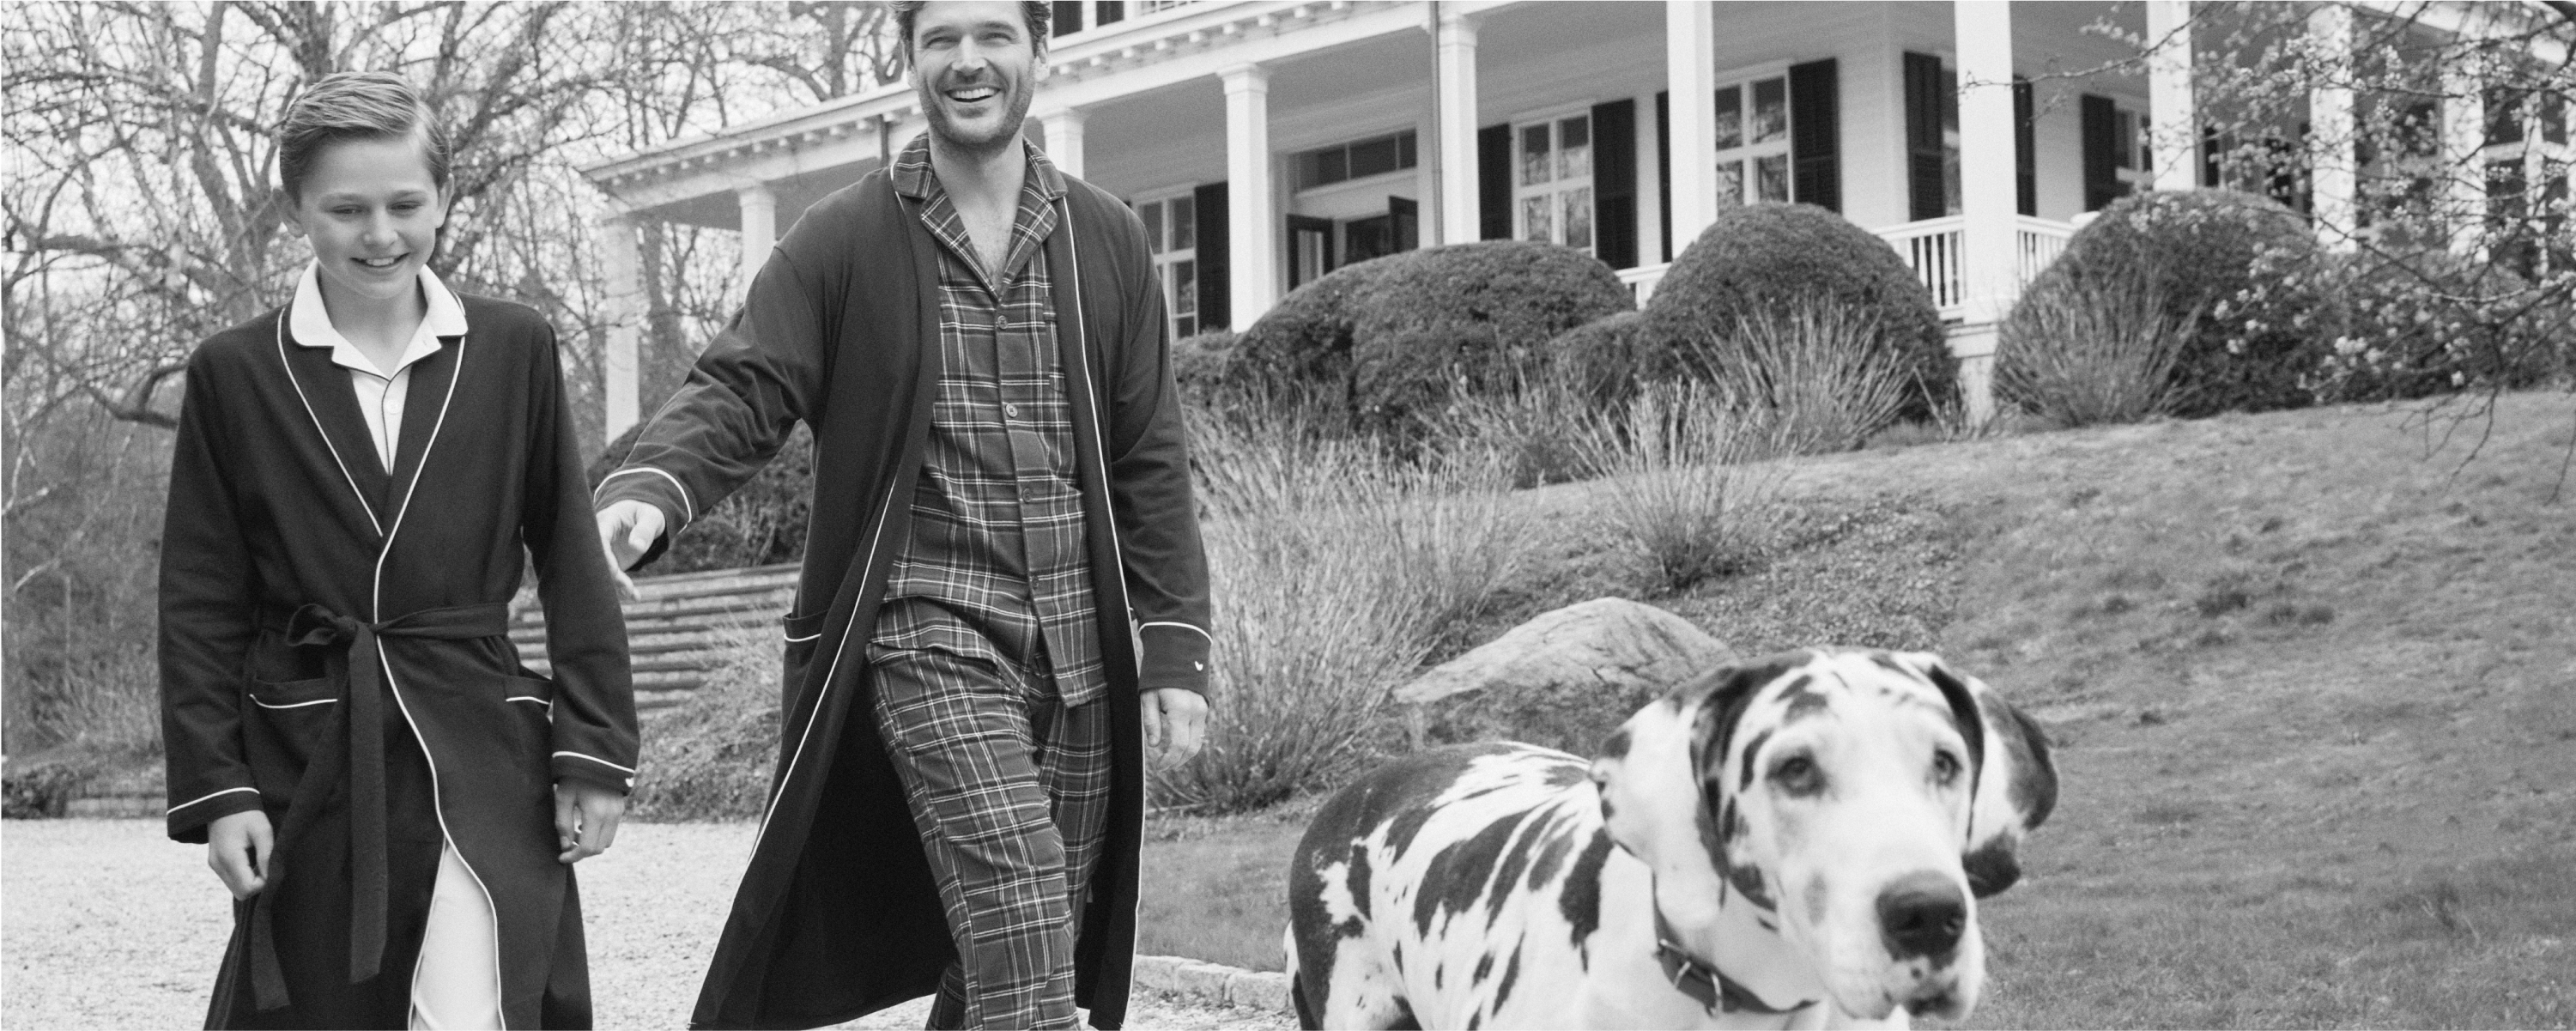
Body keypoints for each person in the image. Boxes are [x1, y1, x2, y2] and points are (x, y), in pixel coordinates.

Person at [589, 0, 1212, 1026]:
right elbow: (744, 386)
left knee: (1027, 934)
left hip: (1083, 651)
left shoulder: (1107, 240)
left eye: (994, 35)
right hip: (927, 630)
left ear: (1038, 52)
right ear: (910, 60)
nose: (968, 62)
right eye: (941, 41)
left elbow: (1149, 457)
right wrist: (650, 489)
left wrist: (1177, 644)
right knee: (1017, 898)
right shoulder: (844, 238)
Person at [158, 70, 639, 1031]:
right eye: (346, 209)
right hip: (311, 747)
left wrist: (594, 748)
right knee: (322, 1006)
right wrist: (219, 790)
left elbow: (573, 558)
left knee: (481, 999)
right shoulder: (234, 373)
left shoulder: (513, 348)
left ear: (444, 198)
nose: (379, 234)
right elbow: (199, 597)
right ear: (297, 207)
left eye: (404, 204)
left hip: (479, 740)